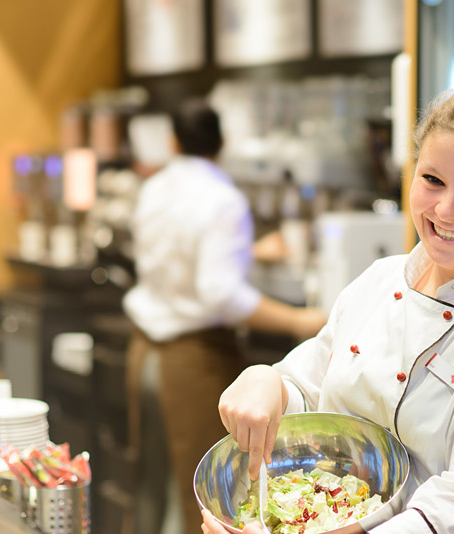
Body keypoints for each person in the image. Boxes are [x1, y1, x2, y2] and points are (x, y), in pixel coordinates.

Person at [201, 76, 454, 534]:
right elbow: (310, 384)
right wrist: (267, 380)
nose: (446, 210)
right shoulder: (382, 280)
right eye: (432, 179)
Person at [124, 99, 326, 534]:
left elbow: (179, 259)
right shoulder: (223, 199)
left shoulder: (154, 186)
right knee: (195, 495)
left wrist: (248, 252)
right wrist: (296, 321)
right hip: (190, 360)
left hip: (143, 352)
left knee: (147, 486)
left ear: (173, 141)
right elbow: (221, 295)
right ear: (223, 143)